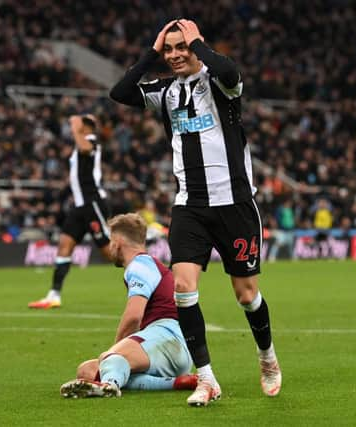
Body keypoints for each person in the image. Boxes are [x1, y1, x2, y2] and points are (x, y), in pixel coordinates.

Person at [110, 19, 281, 406]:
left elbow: (228, 70)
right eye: (168, 50)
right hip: (190, 206)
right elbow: (120, 92)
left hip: (235, 204)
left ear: (195, 45)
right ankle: (206, 379)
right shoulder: (165, 90)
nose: (173, 55)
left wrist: (198, 45)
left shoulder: (221, 85)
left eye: (179, 48)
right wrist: (151, 52)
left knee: (246, 294)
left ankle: (267, 356)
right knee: (184, 288)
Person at [60, 213, 194, 398]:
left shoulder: (139, 266)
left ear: (117, 242)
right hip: (166, 347)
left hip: (167, 339)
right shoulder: (147, 264)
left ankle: (109, 385)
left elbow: (133, 316)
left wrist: (113, 352)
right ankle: (178, 383)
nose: (109, 247)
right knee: (87, 371)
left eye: (110, 241)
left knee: (109, 361)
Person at [29, 115, 112, 309]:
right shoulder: (80, 145)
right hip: (80, 207)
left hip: (93, 204)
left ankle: (150, 279)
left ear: (86, 127)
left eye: (79, 124)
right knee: (64, 246)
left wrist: (76, 128)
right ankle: (54, 295)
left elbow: (85, 148)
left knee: (109, 253)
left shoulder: (90, 142)